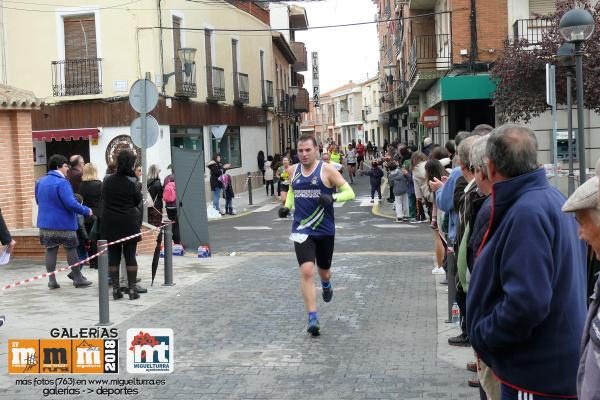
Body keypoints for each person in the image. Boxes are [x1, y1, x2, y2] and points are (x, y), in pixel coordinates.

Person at [467, 124, 586, 399]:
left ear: (491, 166)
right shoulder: (550, 198)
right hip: (548, 366)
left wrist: (484, 335)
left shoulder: (526, 213)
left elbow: (526, 304)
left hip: (535, 374)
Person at [277, 134, 355, 336]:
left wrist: (332, 198)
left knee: (323, 271)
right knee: (307, 272)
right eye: (300, 151)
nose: (303, 154)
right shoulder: (292, 171)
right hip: (302, 229)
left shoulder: (327, 170)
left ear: (316, 150)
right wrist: (287, 207)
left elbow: (349, 192)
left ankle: (327, 284)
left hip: (324, 230)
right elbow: (293, 191)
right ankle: (312, 317)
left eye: (307, 150)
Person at [36, 154, 93, 289]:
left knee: (50, 250)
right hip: (64, 223)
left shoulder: (40, 182)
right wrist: (86, 210)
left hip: (46, 224)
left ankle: (52, 281)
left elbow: (39, 201)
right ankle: (78, 279)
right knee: (71, 249)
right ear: (58, 167)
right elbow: (71, 203)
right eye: (66, 166)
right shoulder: (62, 182)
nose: (68, 169)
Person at [102, 150, 143, 301]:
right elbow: (137, 201)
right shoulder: (133, 182)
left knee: (113, 257)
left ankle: (116, 289)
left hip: (110, 222)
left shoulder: (107, 181)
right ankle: (132, 289)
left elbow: (104, 198)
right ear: (131, 164)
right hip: (128, 222)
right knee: (130, 256)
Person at [78, 163, 102, 269]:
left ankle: (90, 260)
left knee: (87, 238)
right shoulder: (99, 184)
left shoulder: (81, 185)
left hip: (85, 213)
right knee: (96, 239)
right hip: (97, 214)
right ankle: (96, 262)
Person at [163, 165, 180, 245]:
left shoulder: (166, 178)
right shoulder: (179, 178)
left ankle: (171, 239)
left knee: (171, 224)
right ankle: (177, 241)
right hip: (176, 205)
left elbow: (163, 190)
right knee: (177, 225)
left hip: (168, 205)